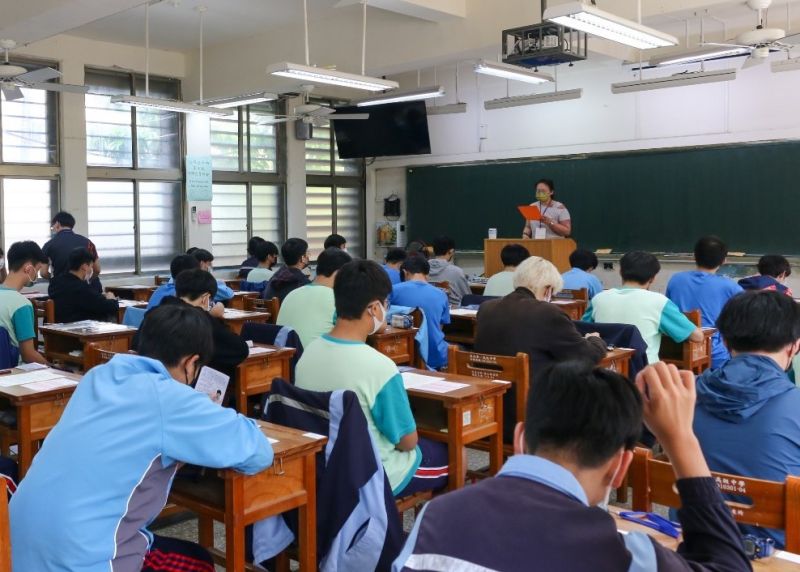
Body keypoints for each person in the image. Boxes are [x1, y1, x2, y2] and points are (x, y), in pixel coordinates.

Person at [392, 361, 751, 572]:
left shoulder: (433, 518)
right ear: (620, 466)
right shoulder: (625, 556)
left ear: (520, 439)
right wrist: (680, 440)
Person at [9, 303, 274, 572]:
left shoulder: (97, 376)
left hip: (18, 547)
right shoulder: (172, 399)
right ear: (191, 363)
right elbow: (259, 452)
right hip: (83, 559)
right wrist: (200, 406)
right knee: (196, 562)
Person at [295, 260, 449, 497]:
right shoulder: (380, 367)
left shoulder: (308, 353)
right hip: (374, 473)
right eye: (387, 304)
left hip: (325, 466)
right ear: (374, 309)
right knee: (452, 455)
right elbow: (407, 442)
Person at [694, 290, 800, 548]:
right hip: (783, 552)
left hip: (694, 539)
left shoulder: (682, 394)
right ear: (795, 346)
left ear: (725, 341)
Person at [475, 256, 606, 442]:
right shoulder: (547, 312)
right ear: (547, 289)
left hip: (490, 408)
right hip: (534, 413)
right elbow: (585, 356)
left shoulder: (486, 308)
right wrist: (595, 340)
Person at [585, 251, 703, 365]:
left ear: (620, 272)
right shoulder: (660, 302)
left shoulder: (598, 299)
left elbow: (581, 330)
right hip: (644, 374)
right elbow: (697, 336)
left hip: (607, 370)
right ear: (653, 278)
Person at [136, 269, 248, 382]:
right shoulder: (200, 320)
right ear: (205, 299)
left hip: (147, 379)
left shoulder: (154, 313)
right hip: (183, 385)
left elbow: (136, 344)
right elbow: (240, 350)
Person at [666, 236, 743, 369]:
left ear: (694, 257)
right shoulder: (731, 288)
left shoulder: (676, 280)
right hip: (714, 355)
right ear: (724, 260)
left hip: (675, 352)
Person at [277, 247, 352, 349]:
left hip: (286, 361)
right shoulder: (336, 299)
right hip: (319, 361)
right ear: (338, 273)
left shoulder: (292, 294)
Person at [390, 254, 450, 370]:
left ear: (405, 272)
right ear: (427, 274)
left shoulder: (394, 290)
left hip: (407, 354)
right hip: (437, 356)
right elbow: (440, 326)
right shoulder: (441, 294)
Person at [0, 241, 48, 365]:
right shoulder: (21, 304)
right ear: (28, 268)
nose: (36, 276)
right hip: (13, 373)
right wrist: (51, 367)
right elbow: (28, 355)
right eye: (36, 270)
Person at [48, 247, 119, 323]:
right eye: (91, 266)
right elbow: (110, 307)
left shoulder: (55, 283)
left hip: (57, 329)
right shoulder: (81, 288)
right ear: (84, 266)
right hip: (77, 330)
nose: (91, 270)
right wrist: (112, 299)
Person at [41, 211, 101, 286]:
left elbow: (43, 273)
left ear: (57, 224)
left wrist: (56, 279)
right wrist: (88, 280)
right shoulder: (88, 243)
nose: (53, 229)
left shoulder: (48, 245)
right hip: (82, 289)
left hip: (60, 290)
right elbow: (97, 269)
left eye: (52, 227)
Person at [264, 238, 311, 302]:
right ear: (302, 258)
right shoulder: (302, 282)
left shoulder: (276, 276)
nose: (308, 257)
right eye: (307, 253)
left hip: (272, 311)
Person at [428, 235, 470, 307]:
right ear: (451, 251)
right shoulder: (456, 271)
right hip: (453, 313)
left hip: (431, 309)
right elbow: (468, 298)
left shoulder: (422, 269)